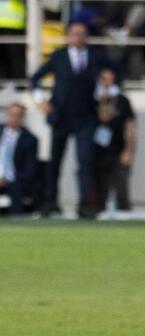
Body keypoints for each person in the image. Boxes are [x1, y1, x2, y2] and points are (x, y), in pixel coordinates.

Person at [30, 20, 114, 218]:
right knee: (55, 162)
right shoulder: (58, 56)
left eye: (81, 33)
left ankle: (85, 205)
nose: (78, 37)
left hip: (86, 117)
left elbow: (113, 75)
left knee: (85, 163)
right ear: (68, 36)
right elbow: (35, 78)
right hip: (61, 117)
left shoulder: (96, 56)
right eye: (74, 33)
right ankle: (50, 202)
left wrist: (107, 90)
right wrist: (41, 101)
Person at [92, 67, 136, 212]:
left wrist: (128, 150)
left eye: (111, 79)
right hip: (98, 151)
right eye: (105, 79)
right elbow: (102, 118)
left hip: (118, 149)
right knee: (100, 189)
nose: (108, 83)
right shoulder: (93, 99)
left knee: (121, 188)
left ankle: (124, 216)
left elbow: (130, 126)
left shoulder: (122, 101)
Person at [0, 102, 39, 214]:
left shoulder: (30, 139)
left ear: (22, 118)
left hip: (14, 179)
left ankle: (16, 219)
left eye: (17, 115)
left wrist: (6, 178)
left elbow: (30, 168)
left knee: (18, 189)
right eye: (11, 114)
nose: (13, 118)